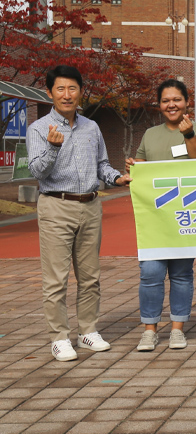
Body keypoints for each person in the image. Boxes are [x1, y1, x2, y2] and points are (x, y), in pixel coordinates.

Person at [27, 65, 131, 362]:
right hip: (55, 206)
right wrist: (52, 148)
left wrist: (116, 179)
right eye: (60, 89)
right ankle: (59, 338)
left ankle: (88, 331)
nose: (67, 94)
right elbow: (36, 170)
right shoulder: (39, 129)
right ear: (49, 93)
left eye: (72, 88)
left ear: (81, 91)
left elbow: (102, 165)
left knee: (90, 277)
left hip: (90, 205)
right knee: (56, 279)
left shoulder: (91, 127)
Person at [125, 79, 196, 352]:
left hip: (185, 213)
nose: (171, 105)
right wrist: (133, 167)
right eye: (165, 101)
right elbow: (141, 164)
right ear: (160, 105)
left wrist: (188, 137)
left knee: (181, 273)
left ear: (186, 102)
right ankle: (149, 330)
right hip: (156, 214)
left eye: (177, 100)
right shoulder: (150, 134)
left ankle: (177, 329)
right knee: (150, 271)